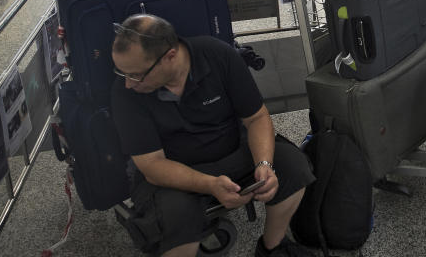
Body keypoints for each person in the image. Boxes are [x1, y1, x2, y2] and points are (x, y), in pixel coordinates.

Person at [110, 14, 316, 257]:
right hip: (172, 172)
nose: (128, 83)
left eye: (136, 74)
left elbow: (256, 118)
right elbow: (152, 165)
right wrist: (209, 184)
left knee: (293, 167)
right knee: (173, 219)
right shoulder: (126, 94)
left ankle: (273, 246)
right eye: (122, 73)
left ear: (170, 57)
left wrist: (264, 164)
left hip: (232, 149)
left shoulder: (217, 55)